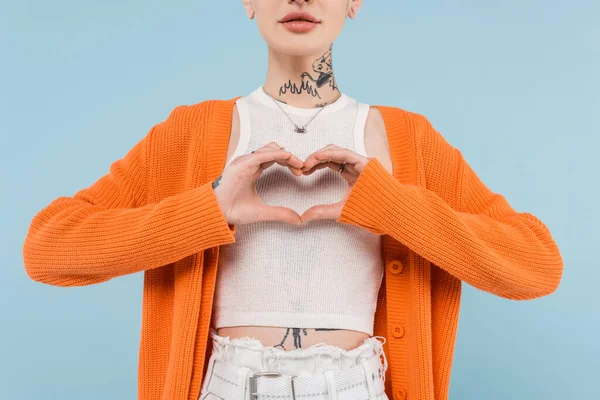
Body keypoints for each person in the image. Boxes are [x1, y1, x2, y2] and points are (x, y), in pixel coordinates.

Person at [22, 1, 564, 399]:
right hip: (227, 384)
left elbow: (535, 266)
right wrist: (208, 209)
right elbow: (47, 250)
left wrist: (393, 205)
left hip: (358, 386)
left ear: (355, 3)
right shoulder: (191, 132)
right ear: (248, 3)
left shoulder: (408, 139)